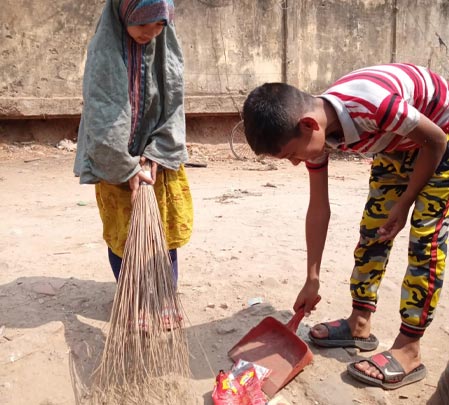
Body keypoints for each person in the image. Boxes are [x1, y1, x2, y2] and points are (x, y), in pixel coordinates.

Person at [242, 63, 449, 390]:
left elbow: (435, 140)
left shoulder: (372, 106)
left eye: (291, 154)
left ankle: (409, 349)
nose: (296, 162)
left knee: (426, 243)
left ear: (308, 126)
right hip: (395, 145)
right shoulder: (317, 132)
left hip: (440, 141)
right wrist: (312, 277)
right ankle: (359, 323)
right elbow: (318, 208)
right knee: (372, 235)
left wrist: (408, 199)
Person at [74, 0, 193, 296]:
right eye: (142, 25)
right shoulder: (103, 54)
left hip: (158, 162)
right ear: (124, 14)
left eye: (158, 27)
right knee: (123, 237)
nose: (150, 33)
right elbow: (102, 116)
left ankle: (165, 296)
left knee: (164, 233)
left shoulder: (164, 47)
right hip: (115, 162)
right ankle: (134, 297)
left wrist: (158, 152)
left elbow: (174, 101)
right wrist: (125, 166)